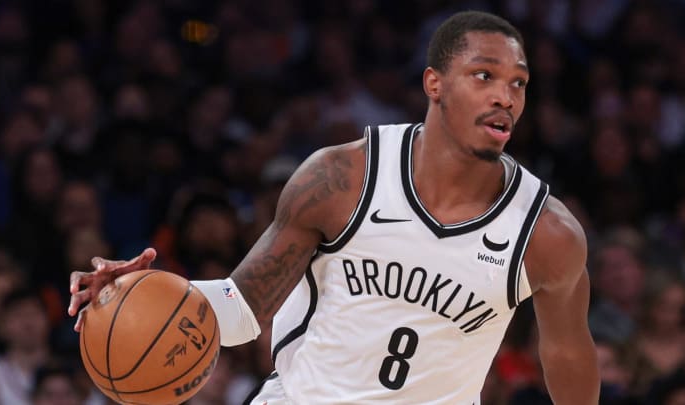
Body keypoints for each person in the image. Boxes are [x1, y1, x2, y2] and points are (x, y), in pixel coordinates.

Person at [69, 11, 599, 404]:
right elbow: (243, 308)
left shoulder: (547, 234)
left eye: (519, 83)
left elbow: (569, 356)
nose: (505, 95)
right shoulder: (342, 178)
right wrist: (146, 293)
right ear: (434, 83)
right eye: (485, 75)